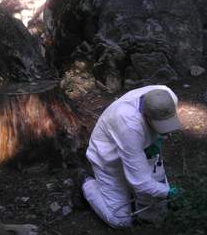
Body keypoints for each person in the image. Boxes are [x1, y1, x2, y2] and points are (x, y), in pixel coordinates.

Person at [73, 85, 182, 228]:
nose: (168, 135)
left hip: (139, 149)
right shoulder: (129, 126)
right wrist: (170, 193)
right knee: (121, 221)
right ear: (145, 116)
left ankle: (131, 184)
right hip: (108, 159)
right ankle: (86, 182)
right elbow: (142, 183)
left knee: (159, 206)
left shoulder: (167, 95)